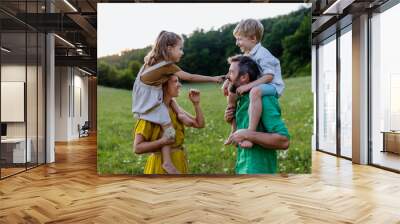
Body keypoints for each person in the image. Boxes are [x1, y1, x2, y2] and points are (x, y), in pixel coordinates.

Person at [132, 31, 224, 174]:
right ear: (169, 48)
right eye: (180, 48)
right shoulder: (166, 67)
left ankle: (168, 162)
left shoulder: (153, 64)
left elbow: (199, 124)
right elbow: (191, 77)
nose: (182, 52)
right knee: (168, 129)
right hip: (147, 102)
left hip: (143, 98)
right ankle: (167, 162)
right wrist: (213, 78)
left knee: (167, 125)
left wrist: (195, 105)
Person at [222, 19, 285, 148]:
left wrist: (249, 86)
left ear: (253, 38)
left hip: (273, 86)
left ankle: (250, 132)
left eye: (239, 39)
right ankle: (234, 128)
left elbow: (269, 76)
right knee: (232, 89)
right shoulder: (248, 54)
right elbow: (236, 71)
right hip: (260, 84)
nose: (237, 43)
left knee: (255, 91)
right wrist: (227, 82)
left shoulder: (263, 54)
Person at [224, 55, 289, 174]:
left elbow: (284, 141)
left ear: (244, 77)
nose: (227, 77)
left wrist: (249, 135)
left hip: (259, 172)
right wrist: (233, 123)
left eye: (231, 73)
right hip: (242, 168)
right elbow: (241, 141)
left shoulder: (264, 99)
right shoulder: (242, 100)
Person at [133, 75, 205, 174]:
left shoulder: (174, 107)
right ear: (163, 85)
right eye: (175, 82)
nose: (179, 85)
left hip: (179, 161)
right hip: (160, 167)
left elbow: (199, 124)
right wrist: (163, 141)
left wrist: (196, 104)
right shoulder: (150, 113)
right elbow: (137, 148)